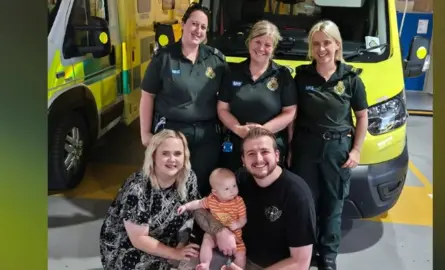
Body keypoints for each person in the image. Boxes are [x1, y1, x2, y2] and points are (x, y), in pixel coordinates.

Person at [288, 20, 369, 270]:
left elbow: (363, 116)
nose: (321, 49)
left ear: (337, 45)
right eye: (316, 44)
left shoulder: (351, 78)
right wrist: (290, 149)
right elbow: (293, 115)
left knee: (333, 203)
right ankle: (307, 249)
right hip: (306, 148)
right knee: (307, 201)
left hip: (337, 150)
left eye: (326, 43)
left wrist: (356, 150)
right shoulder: (301, 77)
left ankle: (329, 254)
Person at [193, 127, 316, 270]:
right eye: (251, 153)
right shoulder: (239, 180)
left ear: (277, 155)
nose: (258, 159)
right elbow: (199, 210)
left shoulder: (297, 194)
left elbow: (300, 263)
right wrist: (220, 231)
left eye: (264, 152)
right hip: (240, 259)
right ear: (243, 160)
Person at [139, 2, 228, 197]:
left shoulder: (216, 60)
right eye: (194, 24)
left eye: (203, 27)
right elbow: (148, 96)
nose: (198, 30)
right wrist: (145, 133)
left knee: (203, 184)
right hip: (172, 132)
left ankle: (196, 225)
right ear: (183, 24)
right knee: (169, 185)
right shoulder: (164, 58)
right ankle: (169, 225)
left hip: (206, 135)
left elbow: (226, 99)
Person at [99, 129, 202, 270]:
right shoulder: (137, 187)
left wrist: (182, 245)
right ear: (153, 156)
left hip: (167, 240)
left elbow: (194, 210)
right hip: (129, 246)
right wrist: (175, 254)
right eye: (165, 153)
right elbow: (139, 239)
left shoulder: (189, 178)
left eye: (178, 153)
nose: (172, 159)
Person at [217, 20, 297, 172]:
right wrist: (238, 128)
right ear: (249, 42)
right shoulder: (233, 72)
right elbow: (222, 108)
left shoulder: (282, 75)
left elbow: (290, 112)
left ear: (273, 49)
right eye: (257, 42)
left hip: (269, 148)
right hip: (237, 145)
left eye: (267, 45)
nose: (261, 48)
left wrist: (263, 131)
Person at [177, 168, 247, 270]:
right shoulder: (211, 200)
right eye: (227, 189)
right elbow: (198, 203)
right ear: (215, 192)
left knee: (241, 253)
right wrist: (185, 207)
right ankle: (205, 263)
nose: (232, 191)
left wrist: (237, 224)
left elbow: (243, 219)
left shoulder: (238, 201)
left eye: (234, 186)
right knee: (207, 240)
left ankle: (236, 268)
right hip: (213, 233)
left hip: (235, 235)